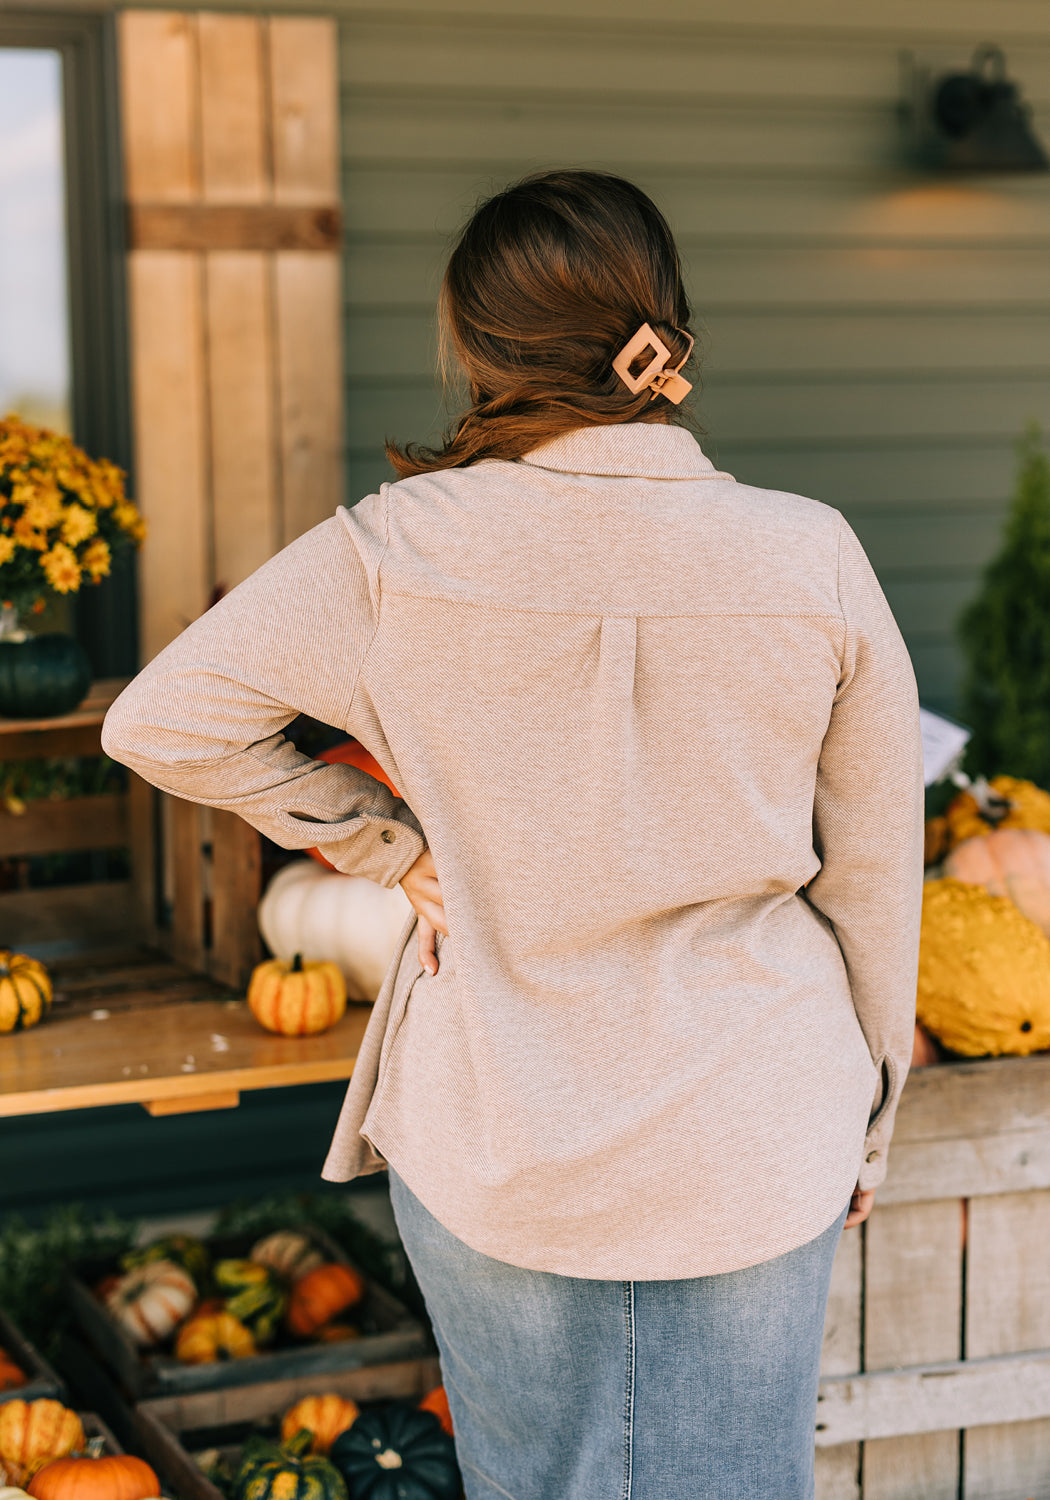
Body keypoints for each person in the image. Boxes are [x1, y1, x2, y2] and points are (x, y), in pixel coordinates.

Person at [103, 169, 924, 1499]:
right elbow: (878, 876)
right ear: (661, 329)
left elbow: (164, 720)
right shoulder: (809, 553)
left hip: (498, 1117)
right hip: (758, 1115)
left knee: (535, 1481)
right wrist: (872, 1120)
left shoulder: (392, 551)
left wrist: (381, 843)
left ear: (474, 350)